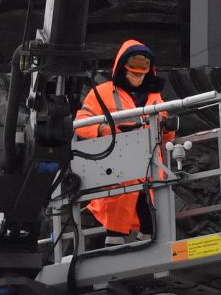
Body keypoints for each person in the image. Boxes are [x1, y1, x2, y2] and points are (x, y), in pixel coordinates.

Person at [74, 41, 173, 237]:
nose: (138, 76)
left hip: (149, 169)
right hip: (116, 170)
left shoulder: (155, 97)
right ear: (122, 68)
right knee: (116, 221)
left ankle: (147, 245)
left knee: (151, 222)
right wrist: (103, 129)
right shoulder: (101, 92)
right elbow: (81, 123)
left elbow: (166, 135)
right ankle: (115, 242)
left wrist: (166, 126)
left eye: (141, 72)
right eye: (133, 71)